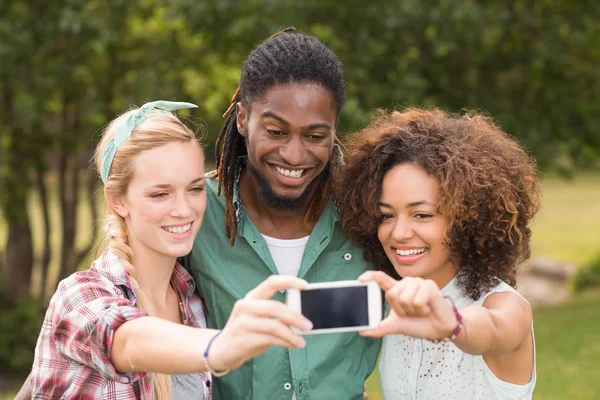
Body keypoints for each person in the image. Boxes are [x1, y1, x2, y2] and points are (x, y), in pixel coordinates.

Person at [29, 101, 312, 400]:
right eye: (160, 194)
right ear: (117, 200)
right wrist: (220, 346)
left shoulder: (193, 302)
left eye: (194, 189)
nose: (184, 210)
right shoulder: (80, 295)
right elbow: (127, 341)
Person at [183, 28, 380, 399]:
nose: (293, 155)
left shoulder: (369, 212)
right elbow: (120, 292)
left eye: (315, 136)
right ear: (243, 120)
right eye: (276, 131)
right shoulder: (195, 211)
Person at [335, 108, 541, 399]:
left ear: (466, 217)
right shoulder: (391, 301)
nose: (399, 233)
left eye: (421, 215)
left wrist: (454, 324)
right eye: (386, 216)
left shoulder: (506, 306)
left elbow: (493, 329)